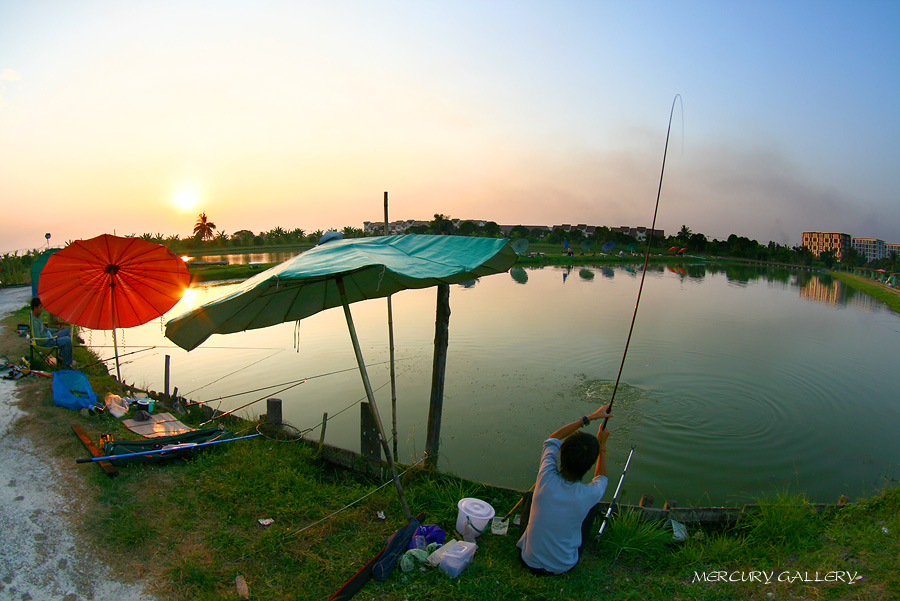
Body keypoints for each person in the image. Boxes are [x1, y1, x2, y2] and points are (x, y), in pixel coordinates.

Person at [516, 404, 612, 575]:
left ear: (561, 452)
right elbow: (602, 478)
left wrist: (589, 418)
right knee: (592, 508)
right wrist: (602, 445)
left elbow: (553, 439)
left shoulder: (546, 477)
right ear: (589, 466)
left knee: (530, 496)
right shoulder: (589, 494)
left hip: (528, 560)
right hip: (564, 566)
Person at [30, 297, 74, 368]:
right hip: (46, 343)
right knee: (67, 340)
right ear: (35, 308)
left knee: (65, 331)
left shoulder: (37, 317)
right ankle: (66, 363)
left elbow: (45, 330)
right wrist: (52, 337)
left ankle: (61, 356)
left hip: (48, 337)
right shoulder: (34, 322)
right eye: (40, 307)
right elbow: (39, 340)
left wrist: (56, 330)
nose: (41, 310)